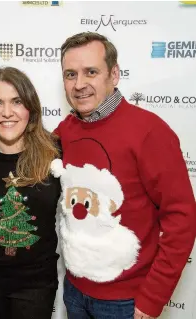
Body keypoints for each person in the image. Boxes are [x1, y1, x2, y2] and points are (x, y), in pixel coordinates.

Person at [53, 32, 196, 319]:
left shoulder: (150, 131)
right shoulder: (64, 131)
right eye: (70, 74)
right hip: (75, 292)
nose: (79, 84)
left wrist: (152, 297)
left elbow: (181, 218)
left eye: (90, 72)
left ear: (114, 74)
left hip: (126, 303)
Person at [0, 67, 60, 319]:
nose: (7, 113)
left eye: (17, 101)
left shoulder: (55, 152)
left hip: (36, 285)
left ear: (30, 107)